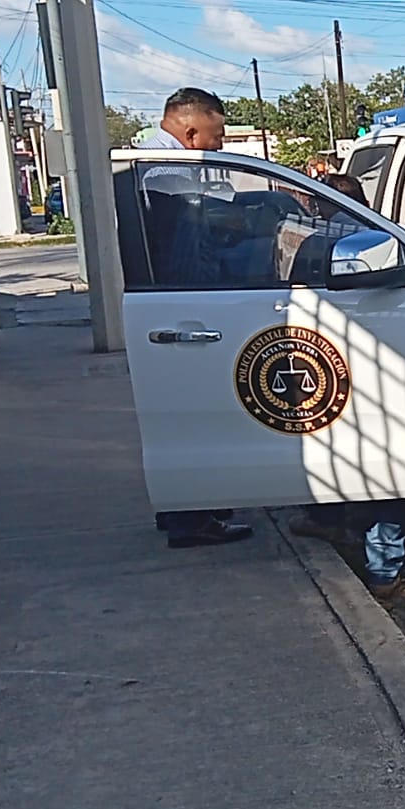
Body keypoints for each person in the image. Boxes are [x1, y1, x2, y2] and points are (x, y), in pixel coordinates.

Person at [137, 87, 254, 549]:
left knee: (177, 416)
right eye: (216, 134)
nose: (219, 144)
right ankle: (192, 519)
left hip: (167, 309)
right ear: (189, 131)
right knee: (194, 416)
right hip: (183, 312)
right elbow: (185, 257)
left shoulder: (152, 161)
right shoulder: (170, 173)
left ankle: (183, 508)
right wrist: (205, 303)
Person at [288, 171, 405, 599]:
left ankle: (349, 537)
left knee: (340, 453)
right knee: (386, 462)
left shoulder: (322, 241)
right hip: (388, 367)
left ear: (323, 205)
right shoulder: (395, 238)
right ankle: (381, 566)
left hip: (334, 366)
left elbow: (295, 296)